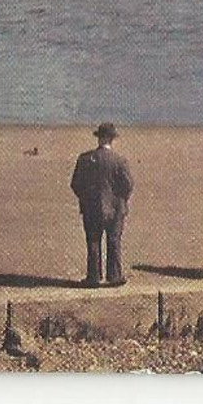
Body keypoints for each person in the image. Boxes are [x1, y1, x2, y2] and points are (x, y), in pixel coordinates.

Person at [70, 122, 134, 288]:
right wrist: (120, 200)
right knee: (114, 241)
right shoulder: (120, 161)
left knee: (93, 241)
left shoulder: (85, 159)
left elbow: (76, 184)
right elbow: (128, 185)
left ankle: (94, 277)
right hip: (115, 208)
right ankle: (114, 276)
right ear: (112, 139)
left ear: (99, 138)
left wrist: (86, 198)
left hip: (92, 207)